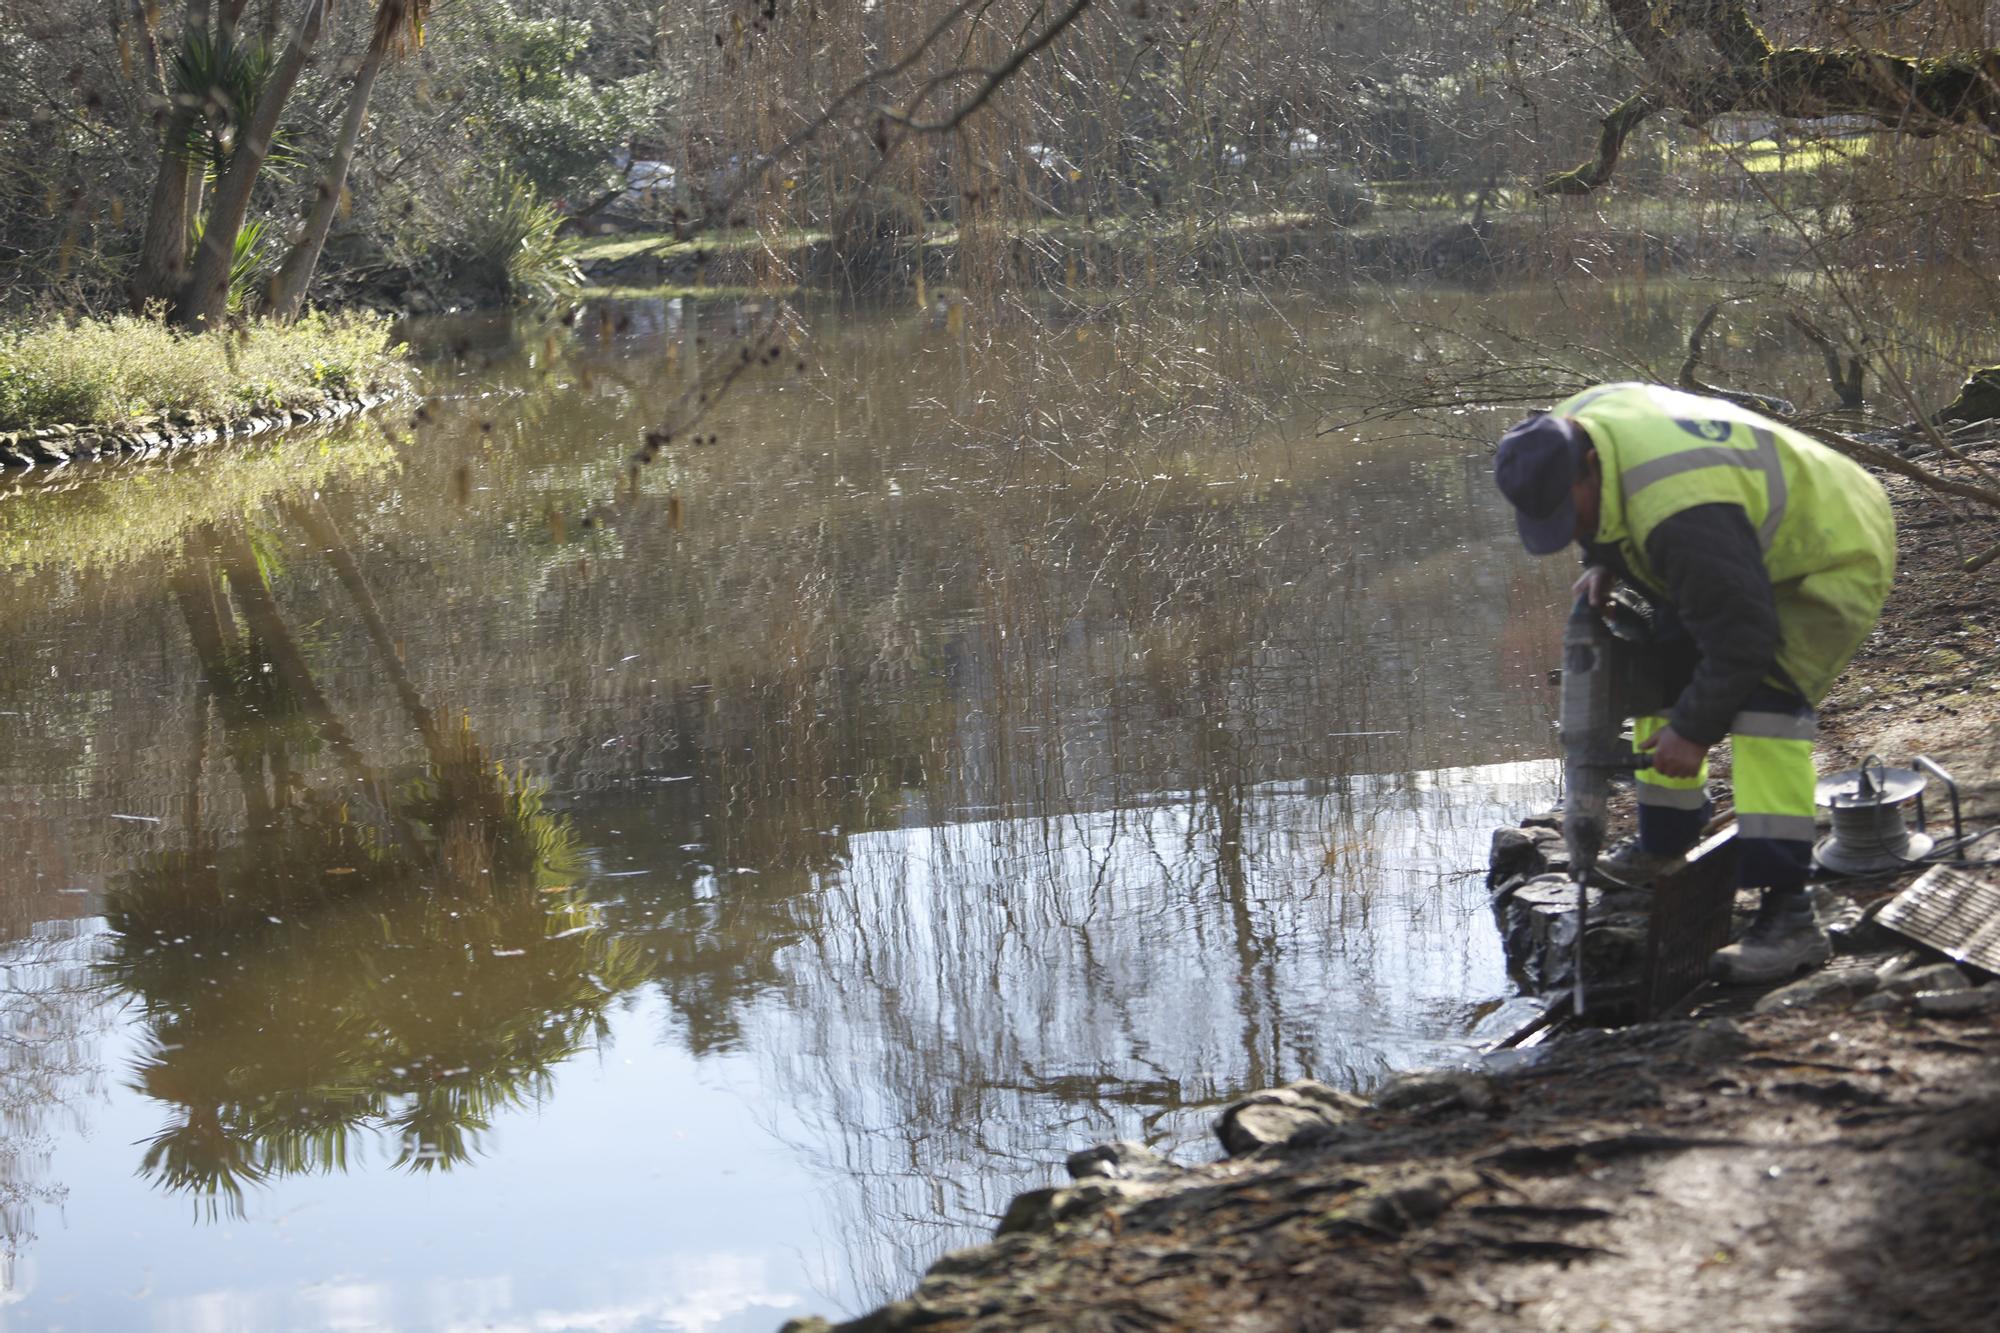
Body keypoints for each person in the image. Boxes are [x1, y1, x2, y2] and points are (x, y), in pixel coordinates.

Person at [1493, 382, 1896, 984]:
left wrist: (1694, 730)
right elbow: (1617, 512)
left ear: (1590, 467)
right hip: (1730, 541)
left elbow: (1743, 640)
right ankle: (1664, 841)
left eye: (1569, 513)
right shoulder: (1562, 431)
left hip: (1827, 548)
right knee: (1660, 672)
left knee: (1766, 711)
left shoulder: (1680, 514)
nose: (1567, 527)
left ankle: (1790, 917)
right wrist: (1603, 554)